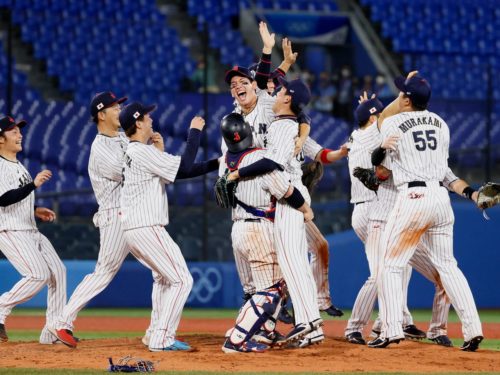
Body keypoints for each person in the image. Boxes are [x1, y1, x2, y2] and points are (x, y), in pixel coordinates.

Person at [373, 74, 483, 351]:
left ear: (407, 99)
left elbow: (379, 159)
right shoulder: (441, 124)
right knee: (448, 266)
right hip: (440, 199)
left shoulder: (394, 122)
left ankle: (390, 329)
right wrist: (472, 193)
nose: (398, 96)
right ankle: (472, 330)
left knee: (390, 265)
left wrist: (381, 145)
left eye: (401, 93)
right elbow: (444, 173)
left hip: (413, 197)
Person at [51, 92, 159, 349]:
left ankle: (158, 329)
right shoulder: (99, 147)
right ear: (101, 114)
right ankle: (62, 321)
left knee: (161, 269)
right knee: (104, 273)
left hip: (132, 213)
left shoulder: (123, 137)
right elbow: (129, 172)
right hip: (115, 215)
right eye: (114, 107)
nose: (119, 109)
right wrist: (148, 150)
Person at [344, 93, 449, 346]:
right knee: (381, 273)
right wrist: (402, 97)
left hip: (390, 212)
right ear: (373, 118)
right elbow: (384, 123)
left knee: (403, 269)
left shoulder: (359, 137)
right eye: (378, 114)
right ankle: (356, 326)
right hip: (373, 211)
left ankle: (398, 319)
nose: (384, 117)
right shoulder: (373, 135)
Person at [227, 77, 325, 347]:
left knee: (292, 261)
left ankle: (306, 322)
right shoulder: (286, 122)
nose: (275, 92)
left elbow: (272, 162)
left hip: (289, 195)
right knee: (296, 262)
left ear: (287, 99)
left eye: (281, 91)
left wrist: (238, 173)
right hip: (289, 195)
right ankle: (312, 325)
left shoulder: (283, 125)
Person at [119, 101, 218, 352]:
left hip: (135, 229)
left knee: (163, 279)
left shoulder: (138, 151)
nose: (152, 119)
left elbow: (181, 173)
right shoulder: (140, 151)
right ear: (138, 122)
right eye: (148, 116)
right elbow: (184, 165)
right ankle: (162, 338)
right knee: (182, 280)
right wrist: (194, 131)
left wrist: (217, 163)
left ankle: (153, 332)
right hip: (146, 226)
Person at [0, 115, 66, 345]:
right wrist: (33, 185)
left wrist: (35, 209)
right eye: (13, 131)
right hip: (9, 229)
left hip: (29, 228)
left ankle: (53, 331)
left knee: (58, 272)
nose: (20, 134)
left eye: (19, 130)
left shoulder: (18, 164)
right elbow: (2, 199)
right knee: (38, 275)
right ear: (0, 139)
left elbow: (17, 196)